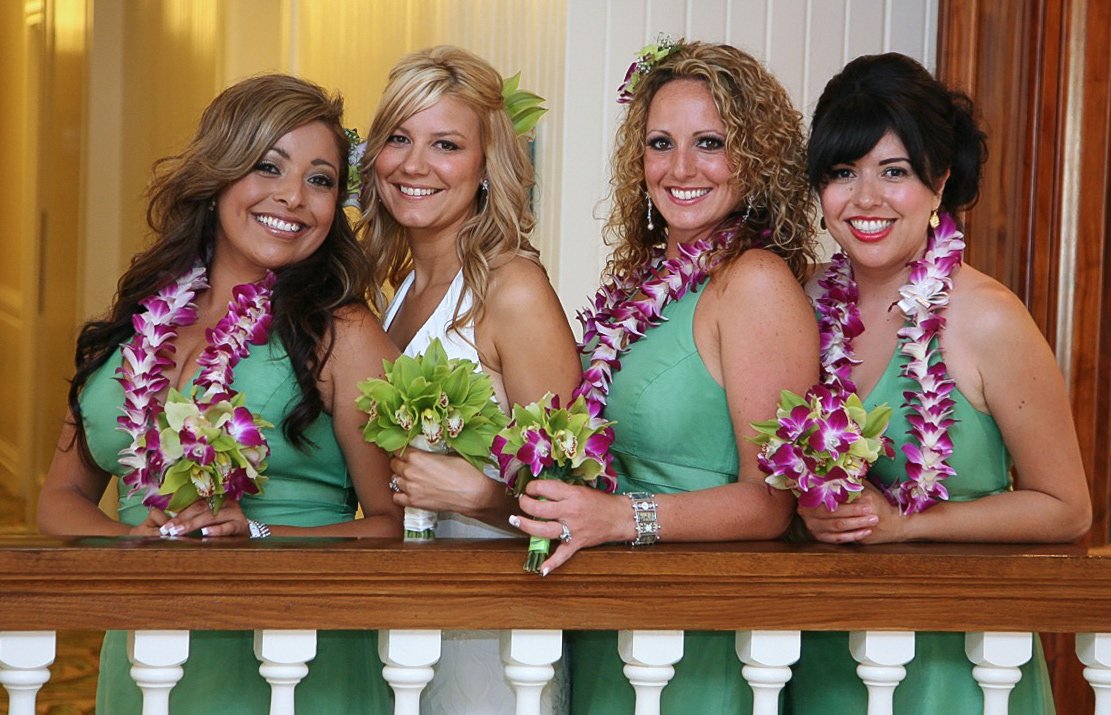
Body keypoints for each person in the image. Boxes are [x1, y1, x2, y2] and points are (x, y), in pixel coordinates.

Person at [37, 73, 402, 714]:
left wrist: (258, 533)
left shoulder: (344, 335)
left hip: (297, 658)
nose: (293, 197)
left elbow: (393, 525)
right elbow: (61, 498)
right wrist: (130, 541)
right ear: (219, 175)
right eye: (269, 166)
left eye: (320, 180)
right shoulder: (137, 321)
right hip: (148, 654)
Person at [510, 40, 819, 713]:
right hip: (610, 616)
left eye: (710, 143)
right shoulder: (641, 284)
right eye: (660, 143)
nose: (680, 168)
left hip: (697, 630)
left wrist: (621, 517)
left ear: (754, 158)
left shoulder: (755, 283)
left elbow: (772, 503)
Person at [788, 52, 1092, 714]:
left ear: (940, 180)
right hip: (820, 661)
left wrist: (907, 526)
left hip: (953, 668)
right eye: (843, 172)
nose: (865, 198)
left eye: (894, 171)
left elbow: (1065, 507)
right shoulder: (797, 304)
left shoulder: (987, 318)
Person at [358, 46, 581, 714]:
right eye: (399, 138)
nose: (414, 164)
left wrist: (479, 496)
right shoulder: (398, 292)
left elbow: (578, 497)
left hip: (495, 635)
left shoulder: (513, 290)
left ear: (487, 166)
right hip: (410, 621)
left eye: (446, 145)